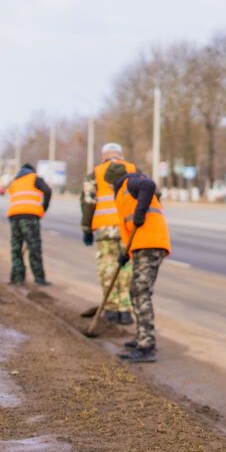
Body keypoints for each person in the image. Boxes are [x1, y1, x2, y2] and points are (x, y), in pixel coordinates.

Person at [104, 162, 170, 363]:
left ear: (112, 182)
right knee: (136, 291)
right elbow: (128, 226)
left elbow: (149, 185)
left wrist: (140, 213)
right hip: (142, 246)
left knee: (141, 292)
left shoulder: (130, 182)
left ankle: (147, 346)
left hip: (150, 244)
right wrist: (125, 253)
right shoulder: (123, 194)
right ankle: (142, 336)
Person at [80, 142, 136, 325]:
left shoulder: (95, 174)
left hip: (105, 229)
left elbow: (88, 202)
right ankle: (125, 310)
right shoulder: (134, 170)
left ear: (103, 156)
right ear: (121, 155)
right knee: (126, 268)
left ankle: (111, 309)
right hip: (129, 229)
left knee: (108, 267)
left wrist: (86, 228)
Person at [6, 162, 53, 286]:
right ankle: (39, 278)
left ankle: (17, 278)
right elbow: (47, 191)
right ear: (32, 171)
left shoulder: (15, 181)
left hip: (14, 216)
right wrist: (43, 208)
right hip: (30, 217)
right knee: (34, 247)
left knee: (16, 248)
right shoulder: (35, 178)